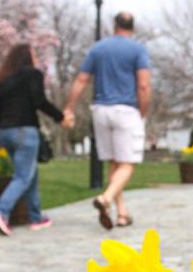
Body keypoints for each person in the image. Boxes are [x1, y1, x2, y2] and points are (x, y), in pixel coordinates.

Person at [63, 12, 152, 229]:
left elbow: (82, 79)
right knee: (128, 163)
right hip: (126, 110)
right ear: (132, 27)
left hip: (101, 110)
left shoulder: (98, 49)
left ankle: (121, 213)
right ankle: (106, 198)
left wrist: (69, 107)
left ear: (114, 25)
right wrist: (143, 111)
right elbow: (143, 85)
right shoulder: (137, 50)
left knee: (114, 162)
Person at [0, 44, 66, 236]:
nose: (36, 58)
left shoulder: (5, 79)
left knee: (30, 174)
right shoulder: (33, 74)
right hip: (24, 130)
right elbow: (39, 101)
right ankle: (2, 210)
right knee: (23, 176)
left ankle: (36, 217)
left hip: (5, 132)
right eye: (34, 55)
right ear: (27, 57)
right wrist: (60, 117)